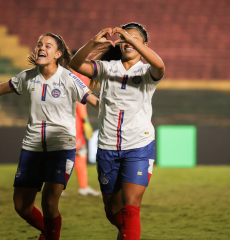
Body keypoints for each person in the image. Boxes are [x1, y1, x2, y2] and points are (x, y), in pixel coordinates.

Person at [0, 33, 99, 240]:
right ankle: (46, 233)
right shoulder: (27, 76)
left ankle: (50, 237)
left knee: (49, 201)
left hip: (61, 147)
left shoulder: (68, 78)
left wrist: (115, 108)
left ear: (57, 54)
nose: (41, 47)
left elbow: (94, 101)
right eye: (39, 44)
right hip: (32, 147)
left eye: (48, 45)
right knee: (21, 206)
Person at [70, 22, 165, 240]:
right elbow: (76, 64)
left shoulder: (148, 71)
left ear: (144, 45)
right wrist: (93, 42)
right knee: (113, 211)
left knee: (131, 207)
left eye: (134, 38)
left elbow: (160, 65)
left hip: (139, 147)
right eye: (124, 39)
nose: (128, 41)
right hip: (107, 147)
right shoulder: (106, 68)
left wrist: (131, 39)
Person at [62, 71, 101, 197]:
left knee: (78, 153)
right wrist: (86, 121)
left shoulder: (65, 75)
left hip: (68, 119)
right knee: (70, 154)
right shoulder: (79, 76)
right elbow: (80, 100)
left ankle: (83, 186)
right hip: (74, 122)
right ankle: (56, 187)